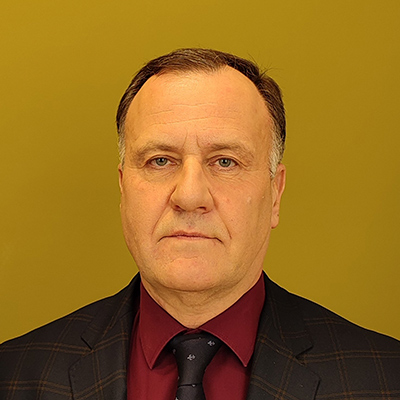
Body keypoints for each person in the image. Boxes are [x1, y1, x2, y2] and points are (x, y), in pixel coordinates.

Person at [0, 48, 399, 400]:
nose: (190, 196)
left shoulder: (385, 379)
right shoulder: (13, 375)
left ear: (275, 194)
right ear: (123, 189)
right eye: (160, 160)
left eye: (225, 161)